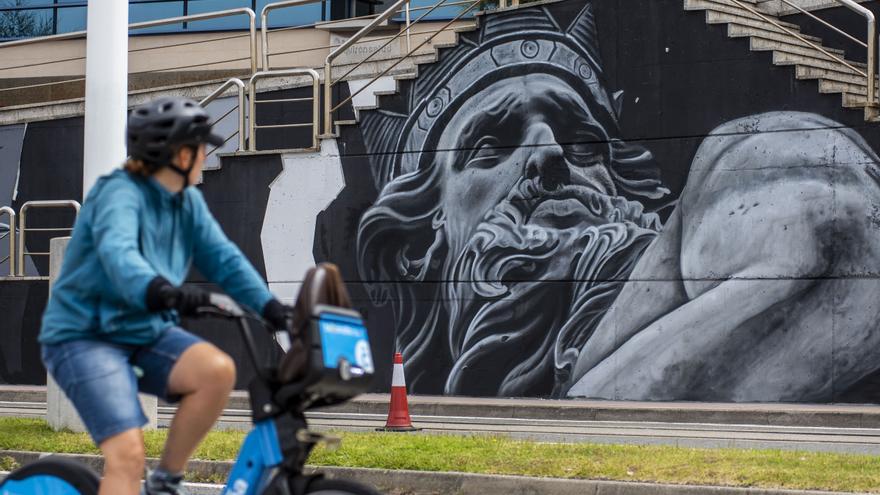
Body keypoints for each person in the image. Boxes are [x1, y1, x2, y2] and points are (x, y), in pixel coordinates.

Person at [39, 96, 293, 495]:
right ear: (176, 152)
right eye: (199, 148)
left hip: (144, 332)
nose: (206, 156)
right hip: (85, 337)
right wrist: (162, 290)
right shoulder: (118, 193)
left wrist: (269, 307)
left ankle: (166, 481)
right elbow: (118, 255)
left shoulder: (185, 201)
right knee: (126, 457)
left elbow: (223, 259)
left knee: (216, 371)